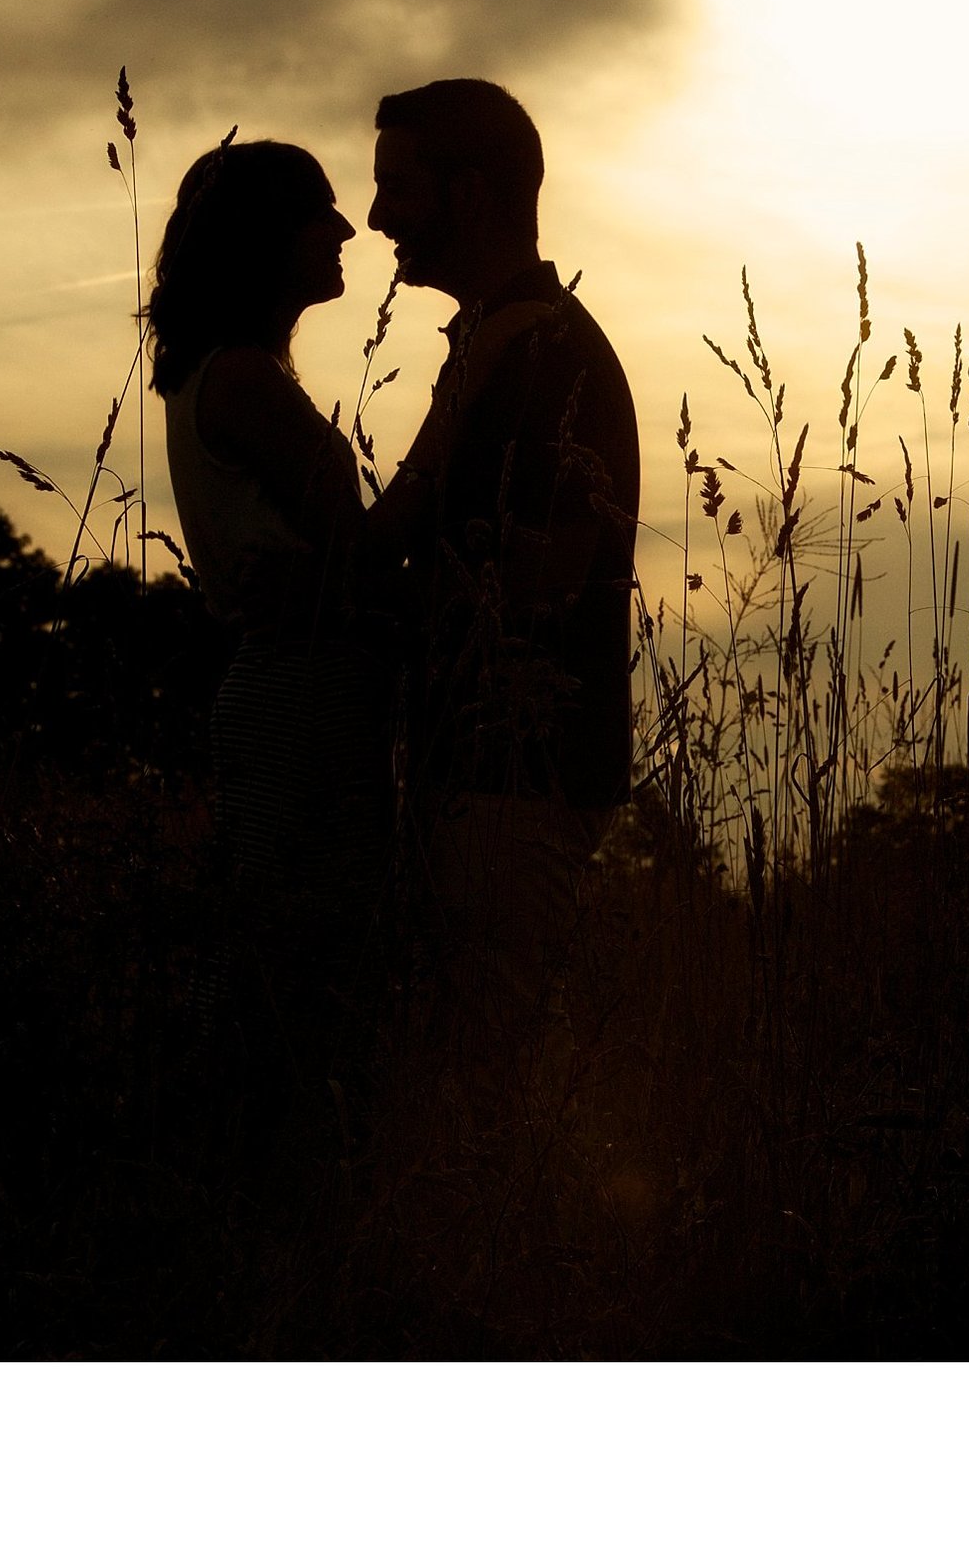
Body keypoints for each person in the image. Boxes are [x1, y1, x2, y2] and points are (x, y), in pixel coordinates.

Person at [362, 79, 640, 1031]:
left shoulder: (549, 357)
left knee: (483, 1076)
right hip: (477, 775)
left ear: (470, 192)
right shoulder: (499, 341)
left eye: (399, 188)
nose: (374, 218)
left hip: (519, 781)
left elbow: (543, 577)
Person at [148, 138, 389, 1063]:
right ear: (262, 236)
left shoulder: (224, 371)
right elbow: (355, 559)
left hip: (288, 686)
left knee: (277, 940)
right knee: (295, 956)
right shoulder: (242, 379)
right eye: (316, 211)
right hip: (303, 691)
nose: (343, 228)